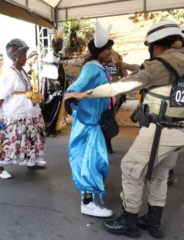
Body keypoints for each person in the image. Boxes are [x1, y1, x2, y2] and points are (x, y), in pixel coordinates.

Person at [64, 20, 184, 238]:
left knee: (130, 168)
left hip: (160, 129)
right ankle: (153, 222)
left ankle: (128, 220)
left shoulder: (161, 64)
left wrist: (84, 95)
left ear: (156, 44)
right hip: (183, 128)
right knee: (158, 174)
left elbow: (123, 85)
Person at [0, 38, 46, 179]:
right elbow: (0, 95)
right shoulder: (8, 74)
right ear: (17, 57)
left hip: (27, 110)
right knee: (5, 138)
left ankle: (32, 158)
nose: (26, 58)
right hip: (12, 111)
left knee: (31, 135)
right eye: (24, 55)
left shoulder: (22, 71)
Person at [65, 21, 114, 218]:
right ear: (99, 51)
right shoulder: (92, 68)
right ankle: (87, 202)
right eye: (108, 49)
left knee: (93, 161)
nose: (110, 51)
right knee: (89, 161)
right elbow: (74, 89)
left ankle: (89, 197)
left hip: (92, 121)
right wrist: (71, 100)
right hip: (88, 124)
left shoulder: (99, 66)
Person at [40, 28, 67, 137]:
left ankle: (54, 127)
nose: (62, 46)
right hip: (53, 89)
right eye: (60, 44)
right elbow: (50, 77)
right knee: (51, 108)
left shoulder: (58, 55)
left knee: (57, 107)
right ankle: (49, 128)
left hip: (58, 87)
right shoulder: (51, 57)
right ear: (55, 45)